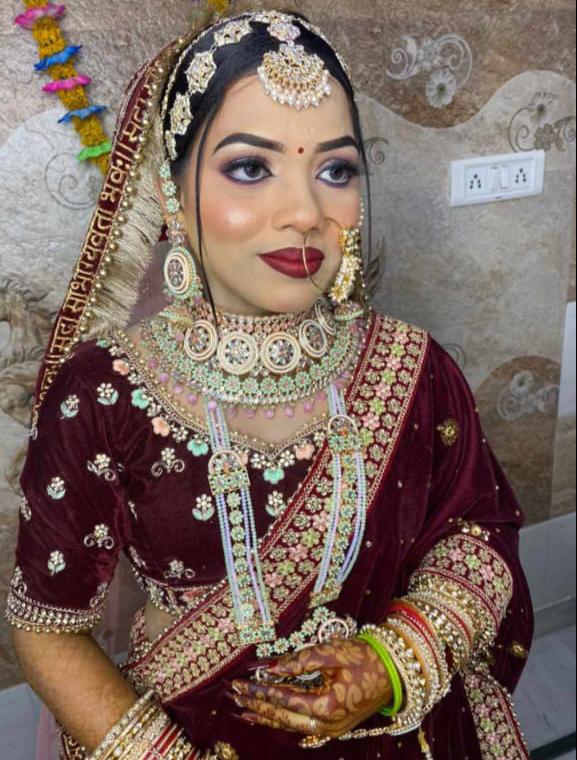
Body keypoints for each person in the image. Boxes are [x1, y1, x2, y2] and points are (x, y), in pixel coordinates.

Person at [5, 3, 535, 758]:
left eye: (335, 170)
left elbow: (478, 536)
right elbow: (48, 630)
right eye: (250, 168)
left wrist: (392, 663)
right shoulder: (103, 393)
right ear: (171, 191)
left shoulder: (414, 368)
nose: (305, 212)